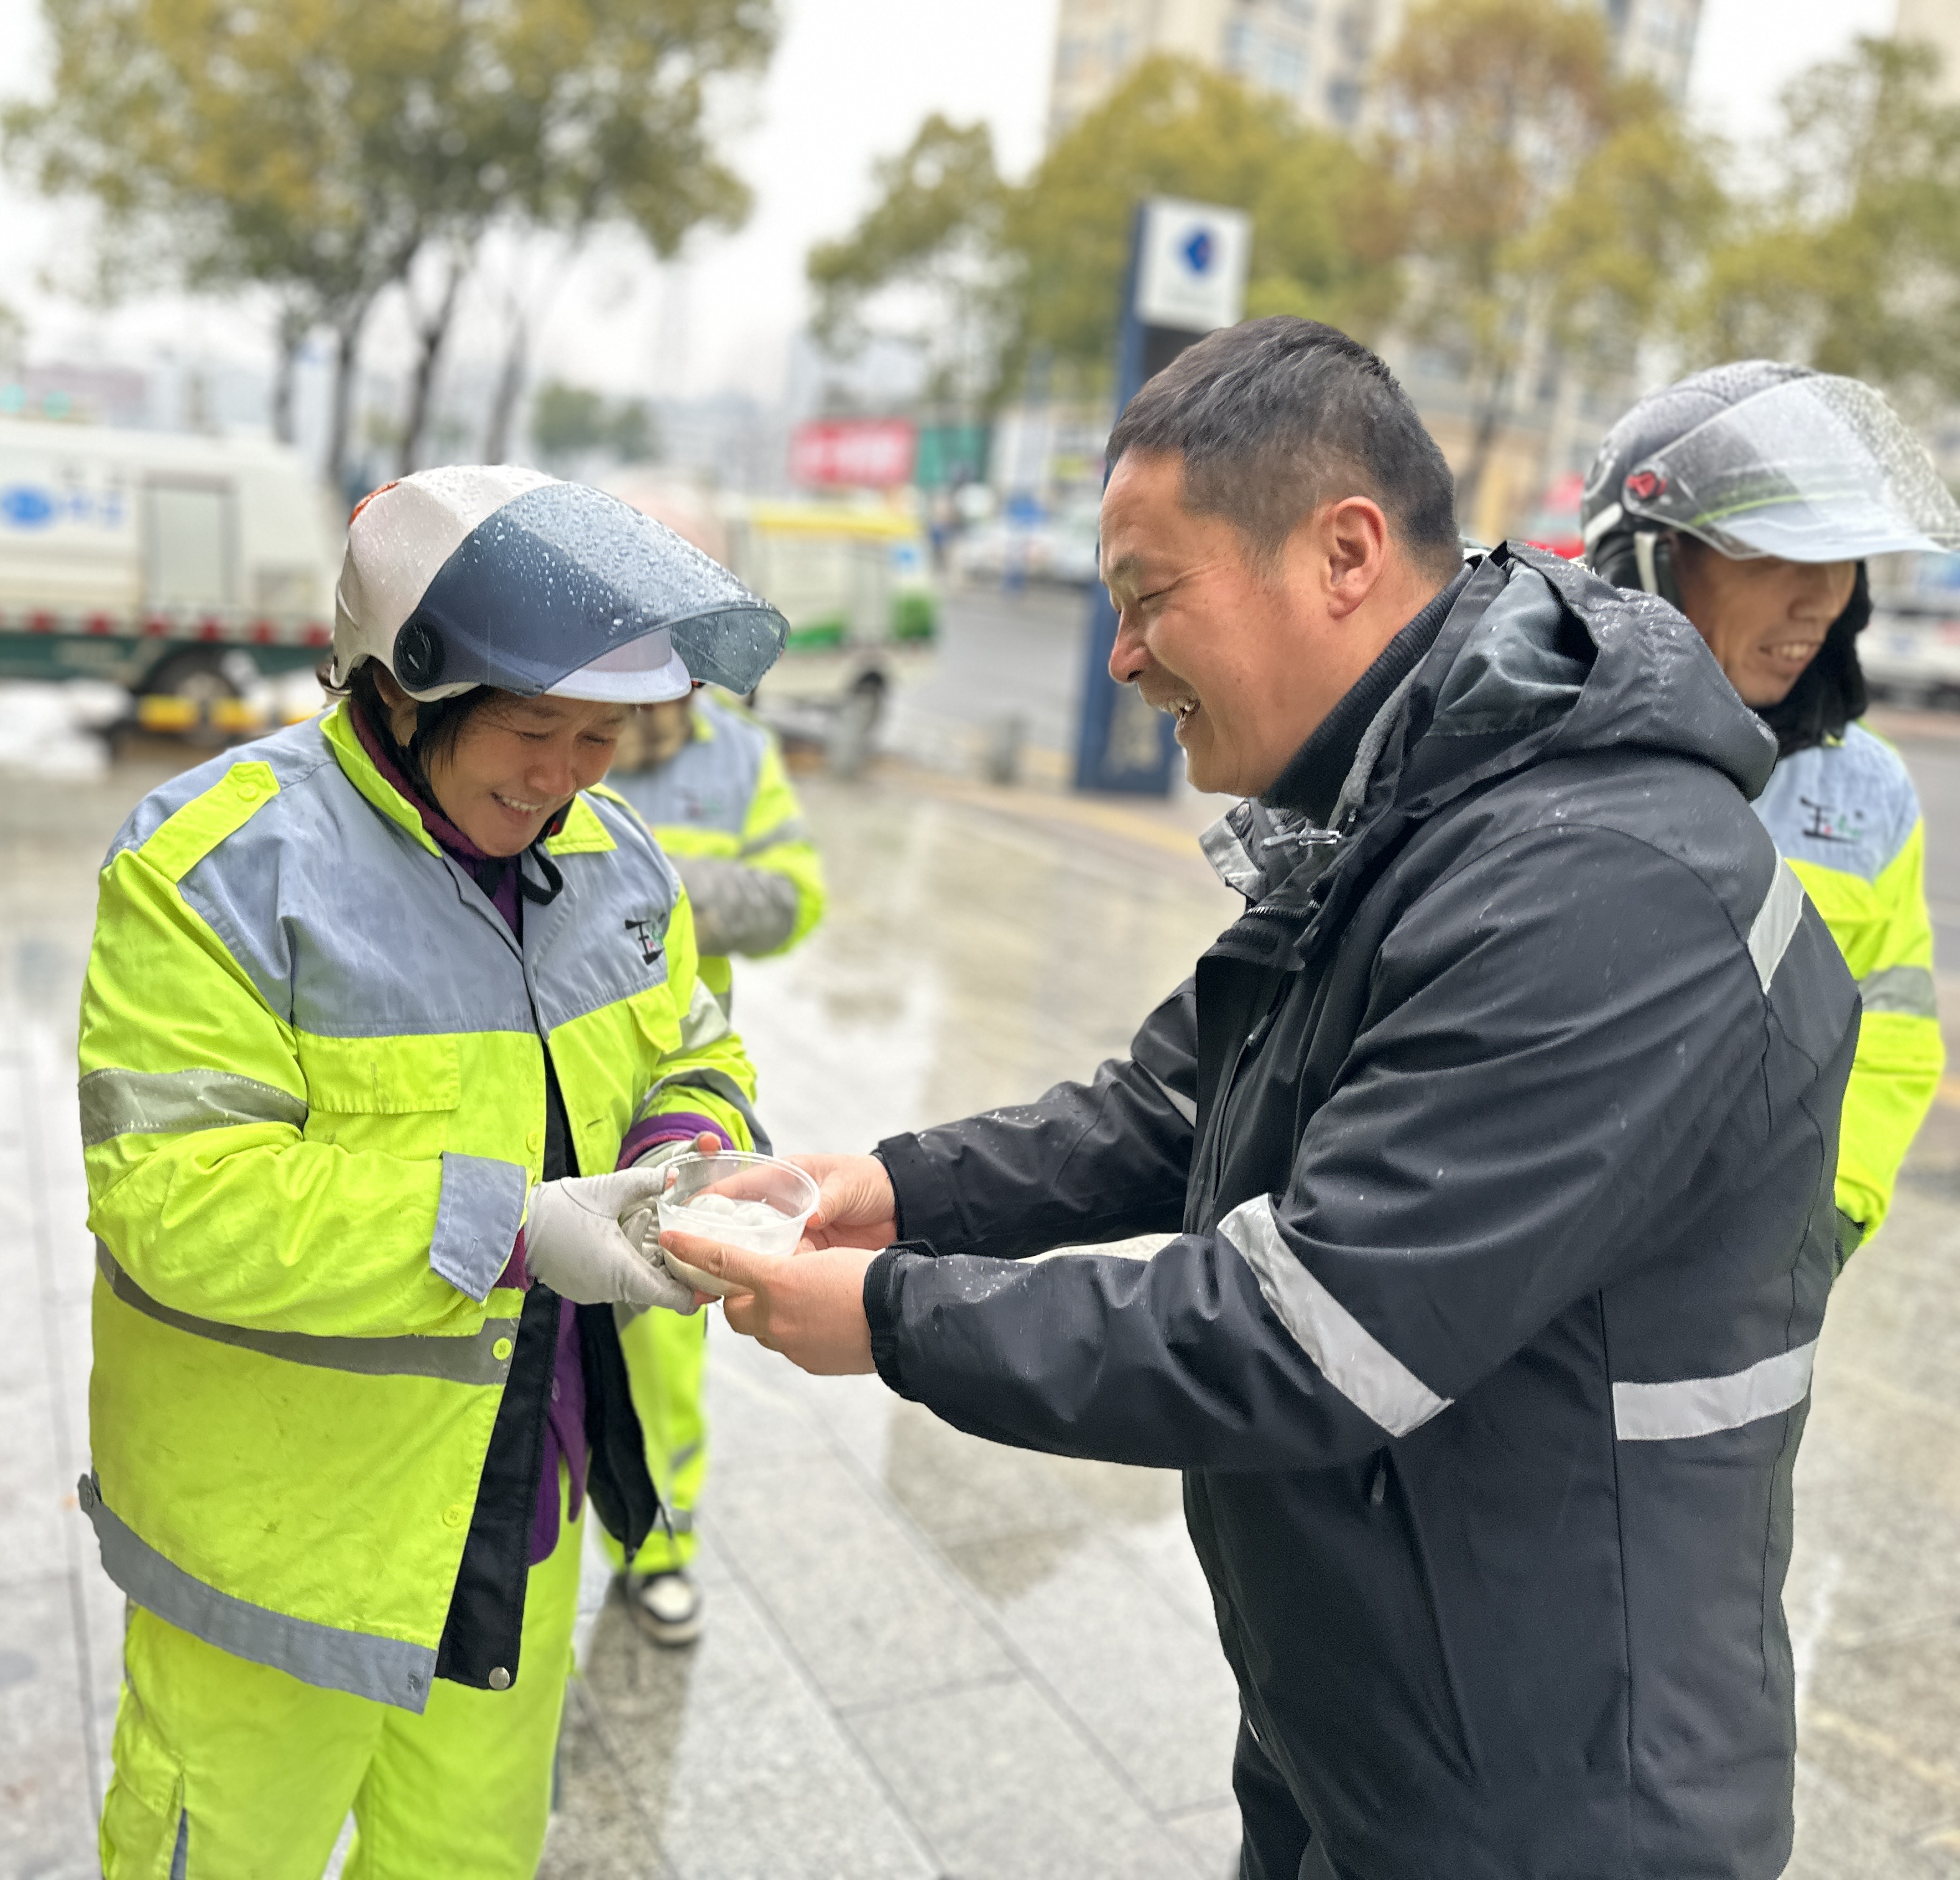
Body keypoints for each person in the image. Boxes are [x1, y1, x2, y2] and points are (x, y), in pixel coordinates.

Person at [666, 317, 1860, 1880]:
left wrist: (891, 1315)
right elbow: (1179, 1108)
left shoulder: (1604, 880)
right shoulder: (1424, 788)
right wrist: (882, 1188)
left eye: (1150, 598)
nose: (1123, 656)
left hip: (1554, 1784)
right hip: (1377, 1709)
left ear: (1345, 553)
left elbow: (1306, 1337)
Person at [74, 465, 787, 1879]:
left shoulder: (619, 860)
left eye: (604, 737)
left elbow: (697, 1053)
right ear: (400, 683)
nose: (569, 775)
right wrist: (510, 1230)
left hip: (523, 1516)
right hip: (282, 1553)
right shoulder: (212, 870)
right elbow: (176, 1200)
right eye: (535, 727)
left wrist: (683, 1154)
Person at [1581, 362, 1957, 1259]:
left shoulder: (1866, 792)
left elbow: (1892, 1032)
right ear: (1652, 566)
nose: (1822, 600)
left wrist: (1823, 1226)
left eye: (1840, 562)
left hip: (1741, 1309)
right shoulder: (1533, 748)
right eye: (1777, 551)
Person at [601, 690, 827, 1643]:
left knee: (658, 1350)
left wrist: (636, 875)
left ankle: (656, 1549)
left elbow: (792, 899)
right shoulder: (547, 721)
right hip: (535, 1088)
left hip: (670, 1094)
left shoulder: (736, 758)